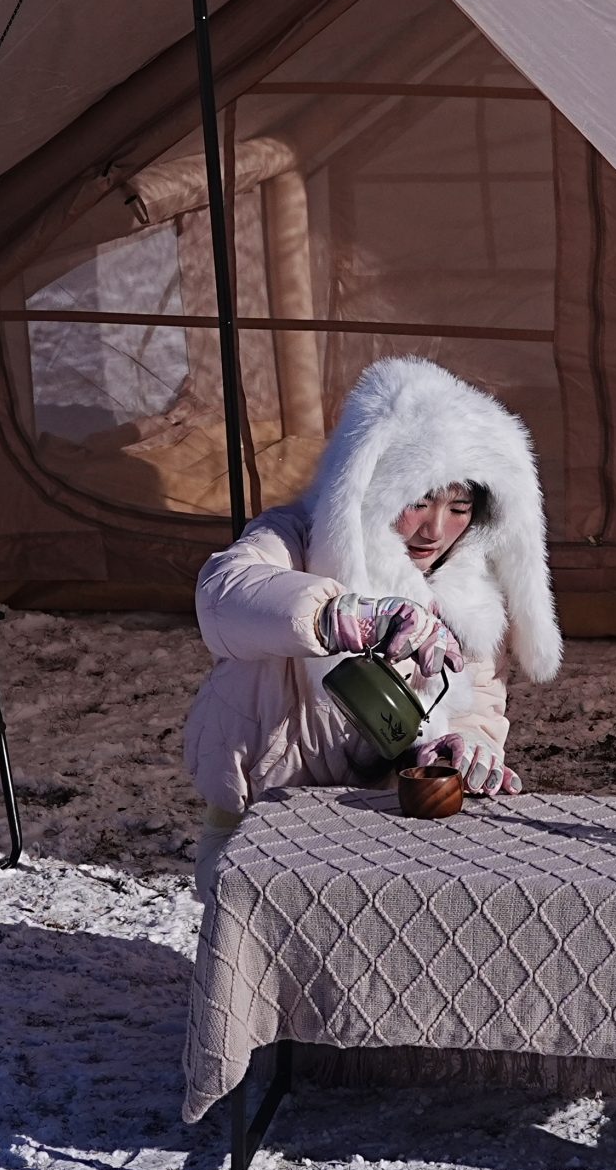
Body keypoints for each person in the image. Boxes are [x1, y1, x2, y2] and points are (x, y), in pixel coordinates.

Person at [184, 356, 563, 889]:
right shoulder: (295, 538)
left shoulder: (473, 594)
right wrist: (338, 615)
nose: (436, 529)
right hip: (259, 821)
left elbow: (478, 706)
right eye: (419, 501)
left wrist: (461, 747)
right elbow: (222, 597)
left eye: (459, 507)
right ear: (376, 485)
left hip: (379, 830)